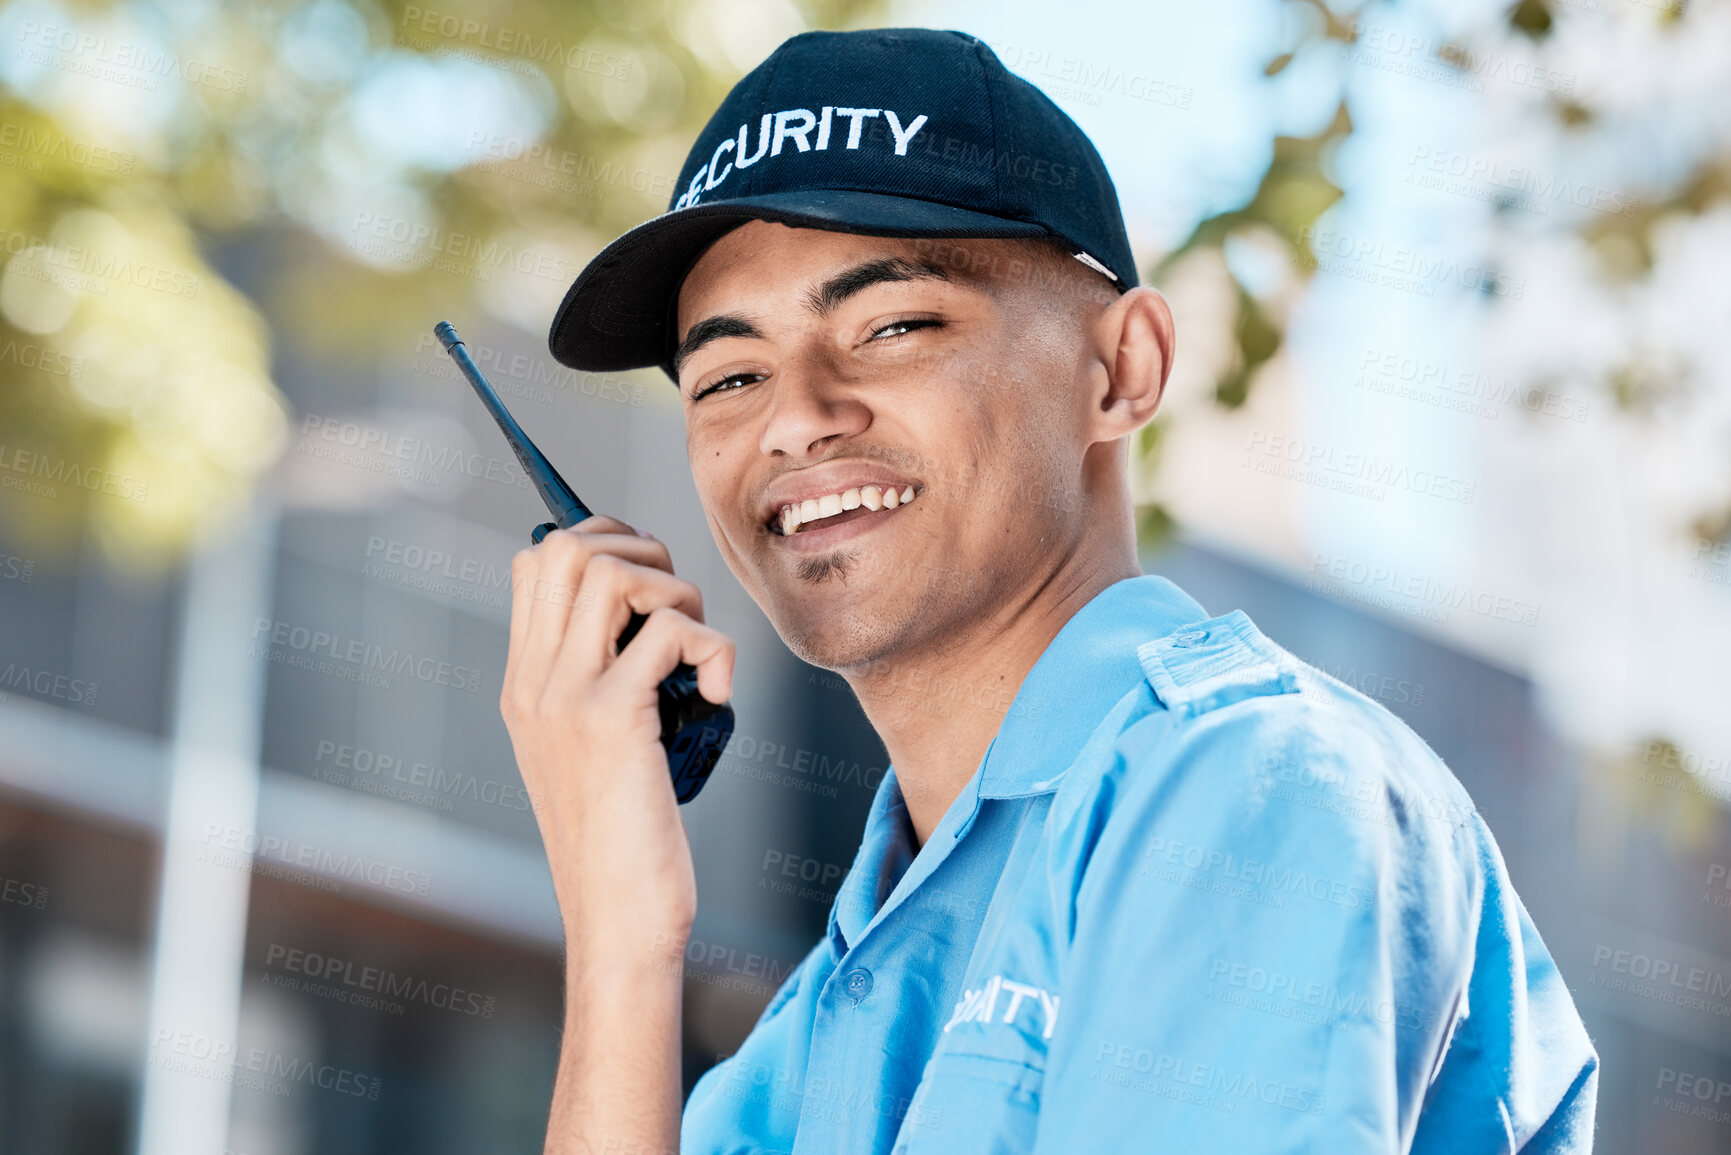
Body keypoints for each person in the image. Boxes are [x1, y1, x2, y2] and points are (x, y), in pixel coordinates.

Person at [499, 26, 1599, 1155]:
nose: (793, 418)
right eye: (729, 375)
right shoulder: (811, 1027)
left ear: (1123, 369)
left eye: (892, 325)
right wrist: (622, 938)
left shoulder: (1246, 787)